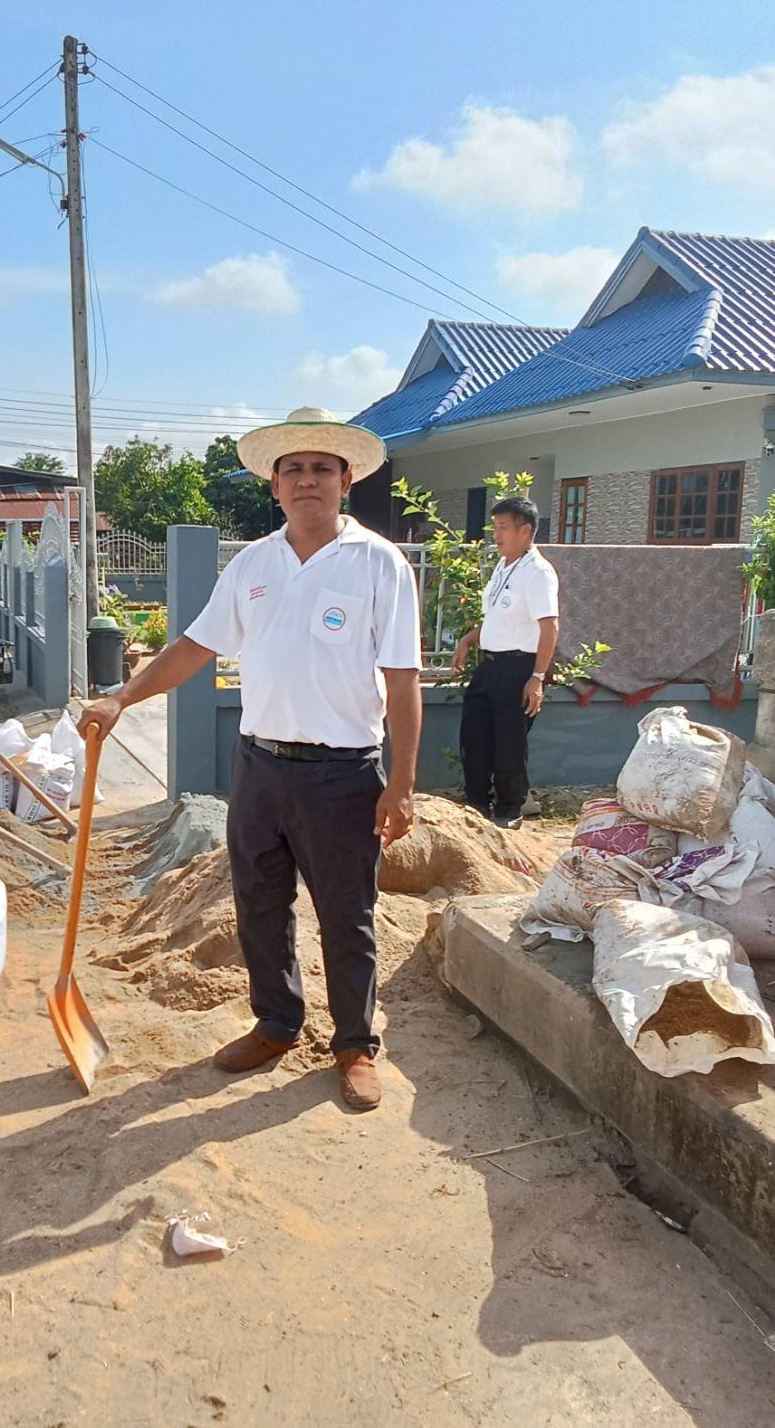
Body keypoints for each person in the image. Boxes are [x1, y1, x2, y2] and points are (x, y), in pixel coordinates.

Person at [80, 407, 422, 1111]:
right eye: (293, 469)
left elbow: (402, 678)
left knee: (347, 915)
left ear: (346, 481)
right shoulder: (253, 566)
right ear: (274, 484)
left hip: (343, 774)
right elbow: (192, 648)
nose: (307, 480)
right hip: (259, 768)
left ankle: (355, 1045)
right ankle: (276, 1023)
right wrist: (120, 698)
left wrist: (404, 783)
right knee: (259, 905)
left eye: (321, 468)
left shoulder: (378, 563)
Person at [450, 496, 559, 831]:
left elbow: (549, 627)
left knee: (508, 743)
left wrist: (537, 677)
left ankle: (509, 809)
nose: (495, 535)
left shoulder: (537, 573)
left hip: (519, 667)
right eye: (494, 528)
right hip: (490, 666)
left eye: (502, 528)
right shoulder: (503, 566)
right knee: (475, 735)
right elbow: (498, 619)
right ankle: (477, 803)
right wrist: (468, 640)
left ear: (524, 531)